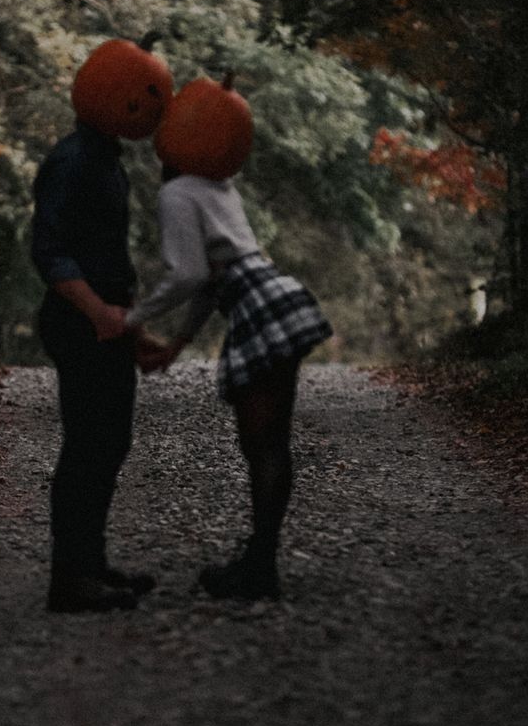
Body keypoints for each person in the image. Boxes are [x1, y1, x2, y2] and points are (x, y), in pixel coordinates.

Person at [126, 165, 333, 601]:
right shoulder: (219, 184)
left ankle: (259, 569)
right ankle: (260, 562)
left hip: (260, 308)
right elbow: (212, 279)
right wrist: (178, 344)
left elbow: (189, 276)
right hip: (278, 297)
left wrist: (130, 319)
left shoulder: (178, 192)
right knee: (271, 442)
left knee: (262, 446)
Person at [31, 39, 172, 613]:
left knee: (109, 444)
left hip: (107, 324)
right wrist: (97, 313)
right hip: (78, 323)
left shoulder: (108, 159)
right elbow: (50, 250)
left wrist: (133, 331)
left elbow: (112, 260)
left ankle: (90, 563)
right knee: (86, 446)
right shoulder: (71, 161)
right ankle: (69, 578)